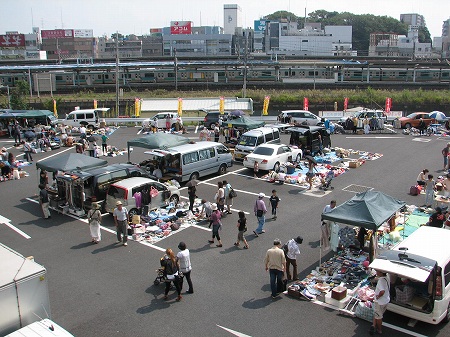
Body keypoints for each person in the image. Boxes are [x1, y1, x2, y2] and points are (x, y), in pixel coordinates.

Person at [370, 270, 390, 335]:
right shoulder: (387, 277)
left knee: (379, 316)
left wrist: (378, 296)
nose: (376, 272)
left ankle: (379, 330)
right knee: (377, 313)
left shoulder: (381, 281)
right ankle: (373, 325)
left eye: (377, 271)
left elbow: (382, 291)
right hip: (386, 300)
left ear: (381, 272)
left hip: (380, 302)